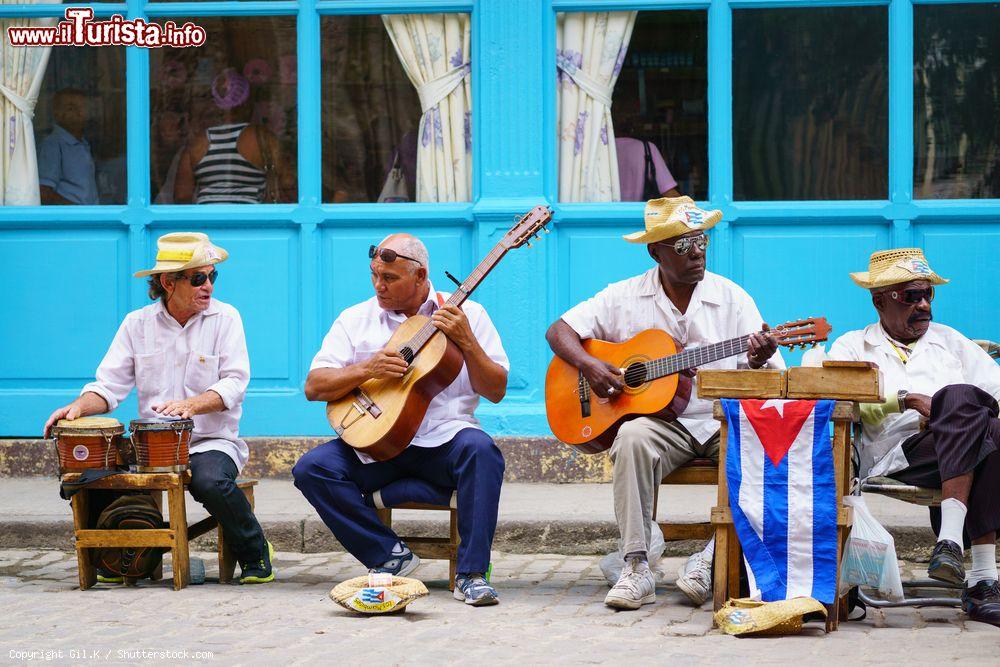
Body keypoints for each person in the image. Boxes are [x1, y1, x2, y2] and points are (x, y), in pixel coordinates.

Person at [545, 196, 783, 610]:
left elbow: (773, 379)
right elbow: (558, 331)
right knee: (632, 437)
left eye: (702, 240)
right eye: (683, 245)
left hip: (718, 419)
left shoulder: (732, 298)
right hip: (662, 424)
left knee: (762, 444)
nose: (697, 252)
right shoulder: (622, 296)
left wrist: (759, 358)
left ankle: (712, 558)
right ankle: (636, 565)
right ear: (655, 252)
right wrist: (593, 368)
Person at [43, 232, 274, 584]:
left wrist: (191, 405)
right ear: (168, 282)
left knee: (211, 481)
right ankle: (115, 555)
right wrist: (77, 407)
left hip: (210, 441)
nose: (208, 285)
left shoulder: (226, 318)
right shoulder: (137, 324)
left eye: (213, 276)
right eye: (198, 278)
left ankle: (255, 551)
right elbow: (107, 387)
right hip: (149, 448)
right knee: (90, 475)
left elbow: (234, 383)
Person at [293, 233, 509, 606]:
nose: (380, 285)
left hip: (445, 441)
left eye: (390, 278)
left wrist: (467, 341)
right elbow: (314, 386)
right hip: (377, 445)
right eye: (375, 275)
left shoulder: (468, 315)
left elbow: (496, 389)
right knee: (311, 468)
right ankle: (388, 555)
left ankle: (471, 575)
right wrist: (367, 369)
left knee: (483, 452)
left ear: (421, 275)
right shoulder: (355, 319)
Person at [828, 248, 1000, 626]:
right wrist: (903, 400)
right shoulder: (853, 345)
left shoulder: (950, 340)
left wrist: (952, 412)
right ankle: (983, 579)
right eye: (910, 296)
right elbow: (842, 401)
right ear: (879, 300)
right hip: (897, 454)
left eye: (927, 295)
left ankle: (953, 547)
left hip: (957, 447)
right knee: (958, 399)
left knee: (978, 418)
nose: (923, 305)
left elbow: (995, 391)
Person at [173, 68, 292, 204]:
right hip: (251, 222)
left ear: (216, 103)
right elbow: (288, 181)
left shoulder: (198, 142)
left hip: (207, 223)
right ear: (248, 102)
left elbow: (182, 195)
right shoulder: (262, 138)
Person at [37, 88, 99, 205]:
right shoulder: (53, 144)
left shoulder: (83, 143)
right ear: (57, 113)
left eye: (83, 107)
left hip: (89, 217)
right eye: (71, 108)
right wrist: (77, 211)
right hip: (72, 219)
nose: (79, 112)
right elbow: (44, 191)